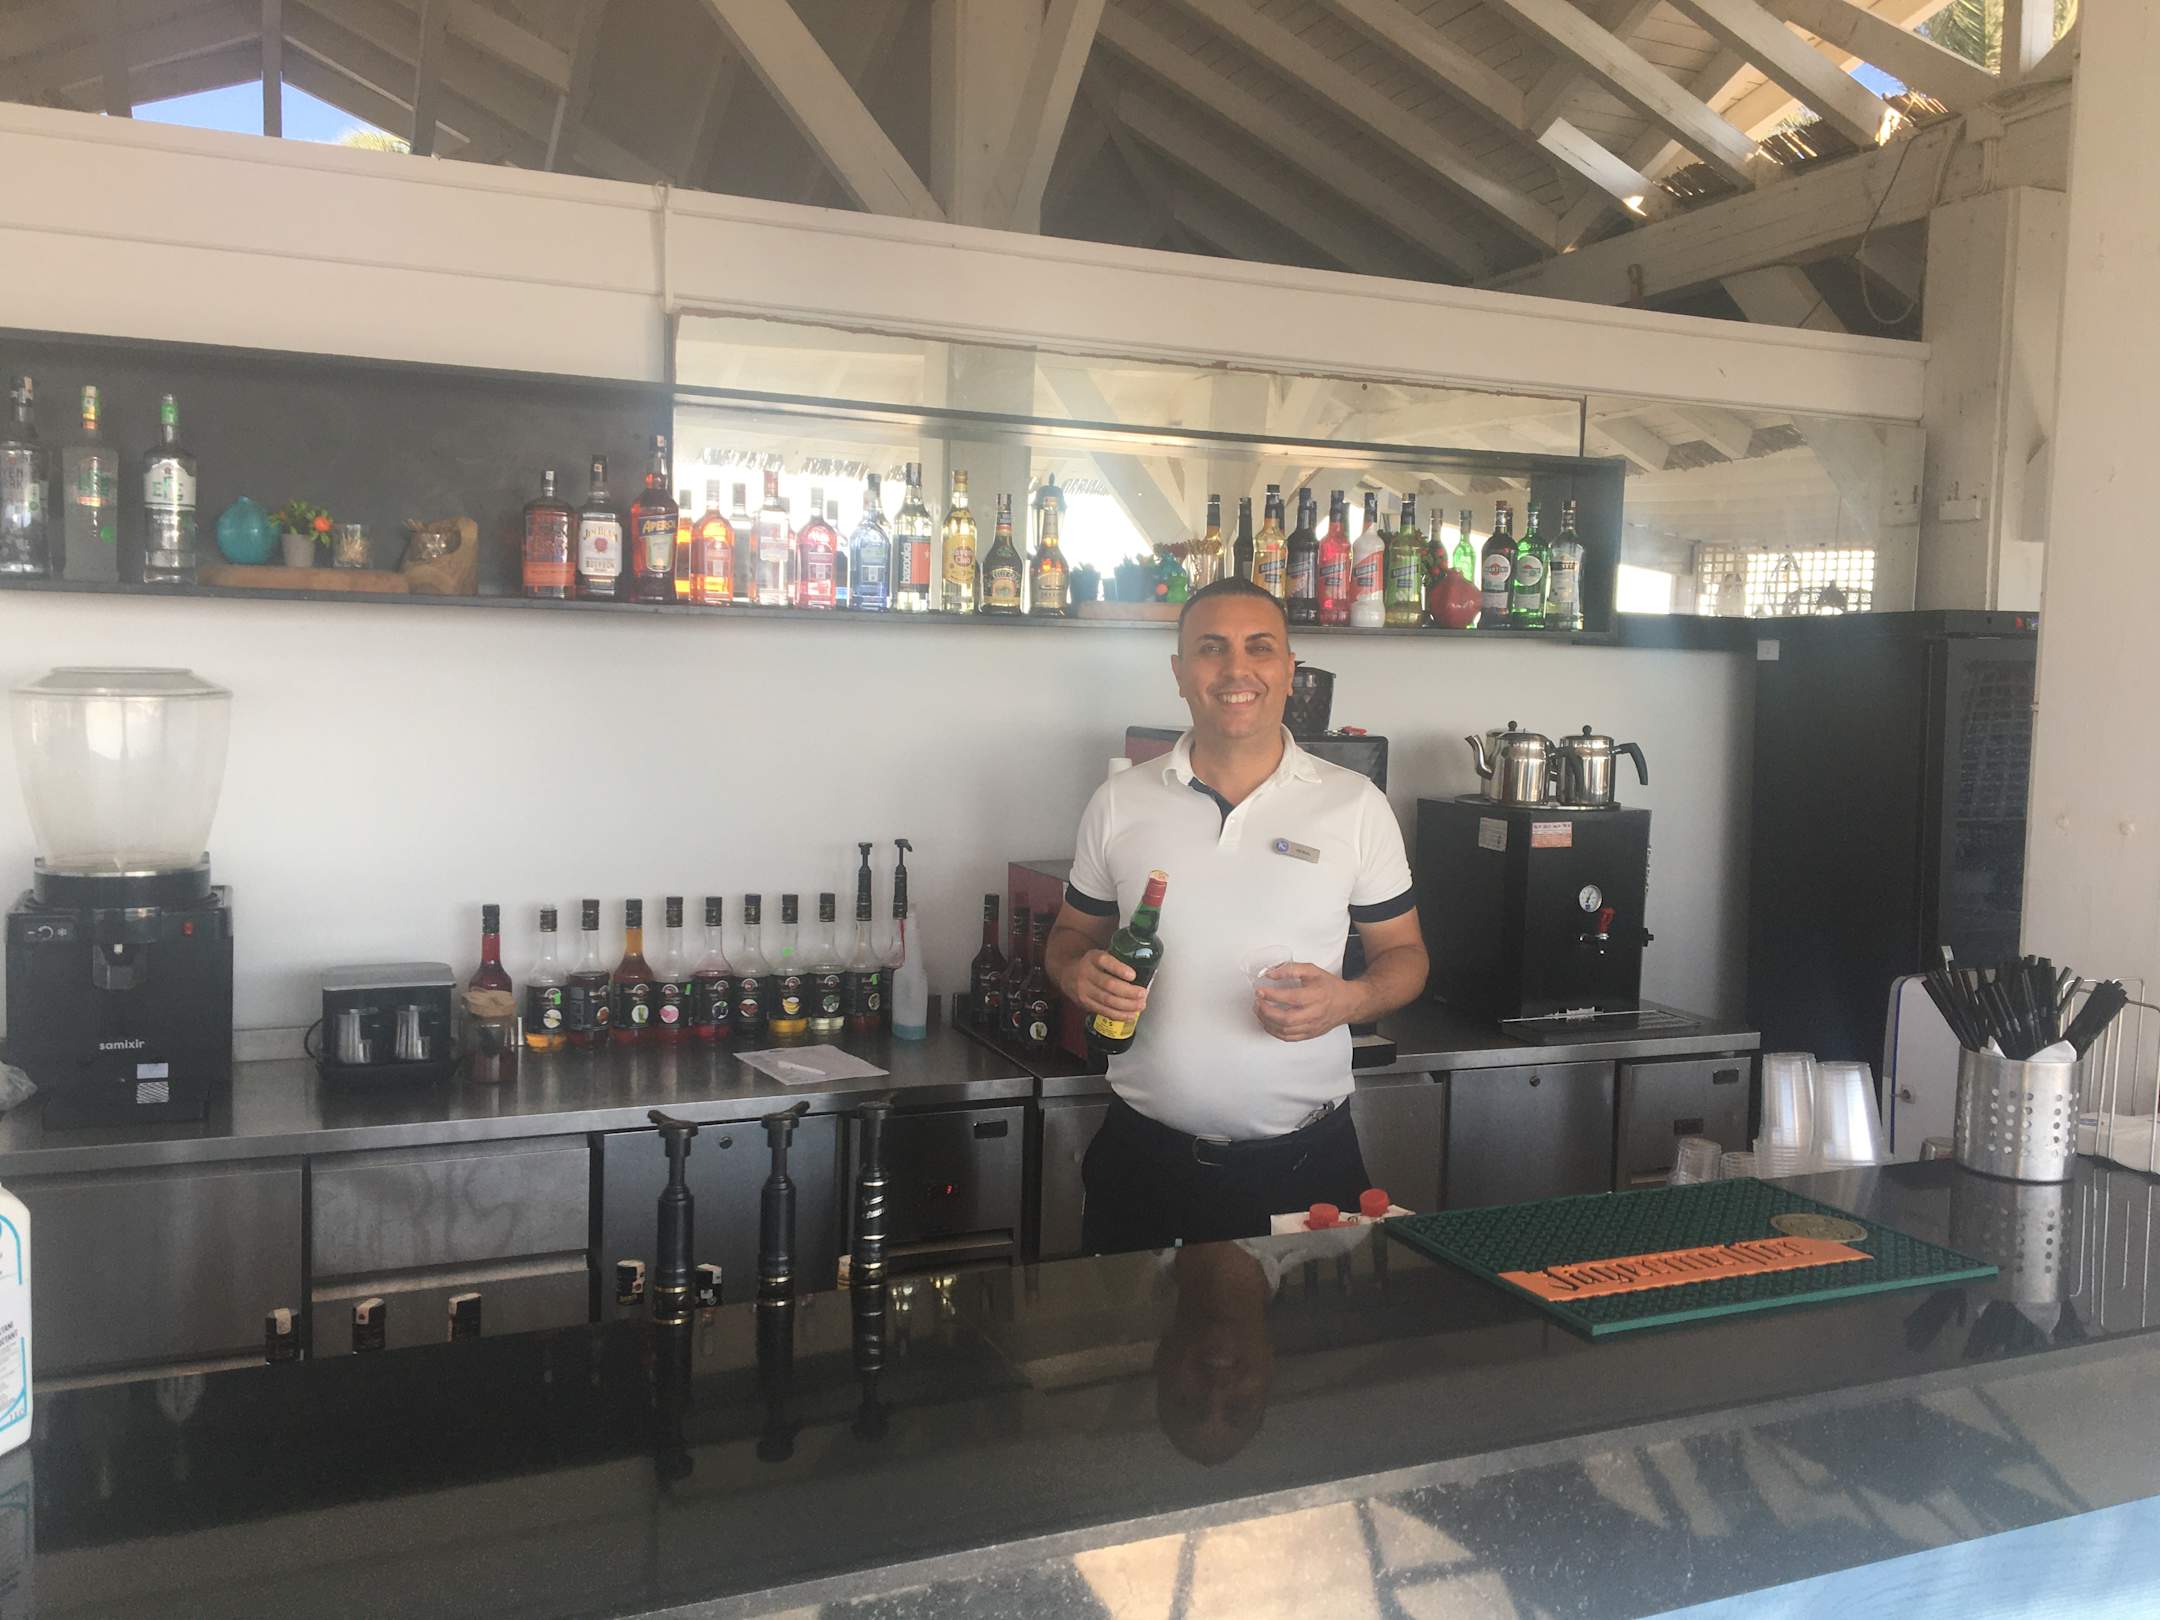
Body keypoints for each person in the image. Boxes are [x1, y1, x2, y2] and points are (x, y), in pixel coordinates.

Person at [1045, 575, 1428, 1254]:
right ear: (1179, 672)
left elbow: (1406, 955)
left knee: (1309, 1331)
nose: (1236, 669)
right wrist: (1079, 975)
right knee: (1125, 1328)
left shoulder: (1355, 805)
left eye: (1259, 647)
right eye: (1211, 648)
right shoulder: (1120, 802)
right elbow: (1069, 937)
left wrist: (1349, 999)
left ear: (1289, 670)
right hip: (1142, 1161)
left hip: (1306, 1166)